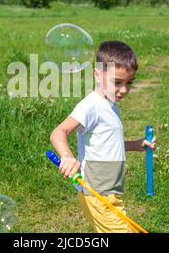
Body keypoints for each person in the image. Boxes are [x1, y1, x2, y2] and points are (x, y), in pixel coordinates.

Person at [50, 40, 156, 233]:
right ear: (97, 74)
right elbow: (59, 132)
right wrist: (66, 155)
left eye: (129, 83)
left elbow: (108, 142)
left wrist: (135, 144)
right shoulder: (91, 106)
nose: (124, 90)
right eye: (117, 82)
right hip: (97, 192)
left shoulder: (109, 104)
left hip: (110, 191)